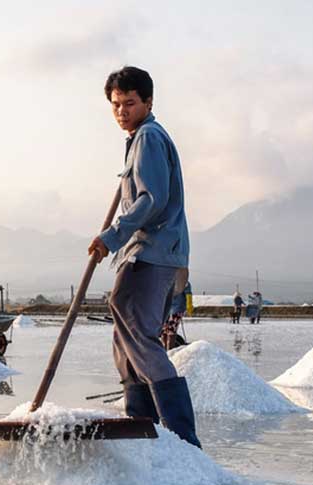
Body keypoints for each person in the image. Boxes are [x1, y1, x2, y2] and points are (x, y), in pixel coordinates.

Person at [88, 65, 199, 448]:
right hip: (146, 251)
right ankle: (141, 429)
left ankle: (181, 440)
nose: (121, 111)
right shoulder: (137, 139)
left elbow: (153, 200)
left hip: (151, 251)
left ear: (148, 102)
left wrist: (112, 236)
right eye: (116, 105)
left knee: (138, 332)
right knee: (124, 337)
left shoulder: (149, 137)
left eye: (129, 103)